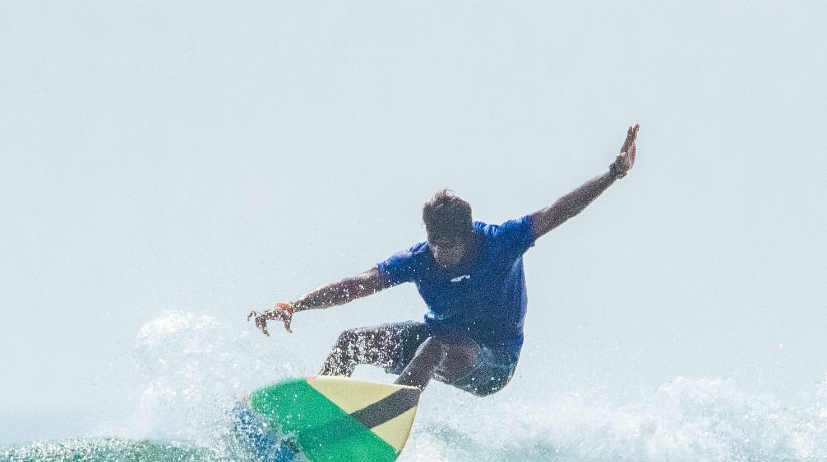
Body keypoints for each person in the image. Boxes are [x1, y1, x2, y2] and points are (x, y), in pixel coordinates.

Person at [248, 124, 640, 396]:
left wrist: (613, 174)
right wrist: (295, 305)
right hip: (436, 340)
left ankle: (383, 413)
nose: (440, 256)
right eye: (434, 245)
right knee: (352, 343)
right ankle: (323, 411)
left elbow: (559, 211)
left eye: (448, 247)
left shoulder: (501, 242)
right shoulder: (420, 259)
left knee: (434, 347)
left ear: (468, 236)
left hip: (493, 361)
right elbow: (358, 284)